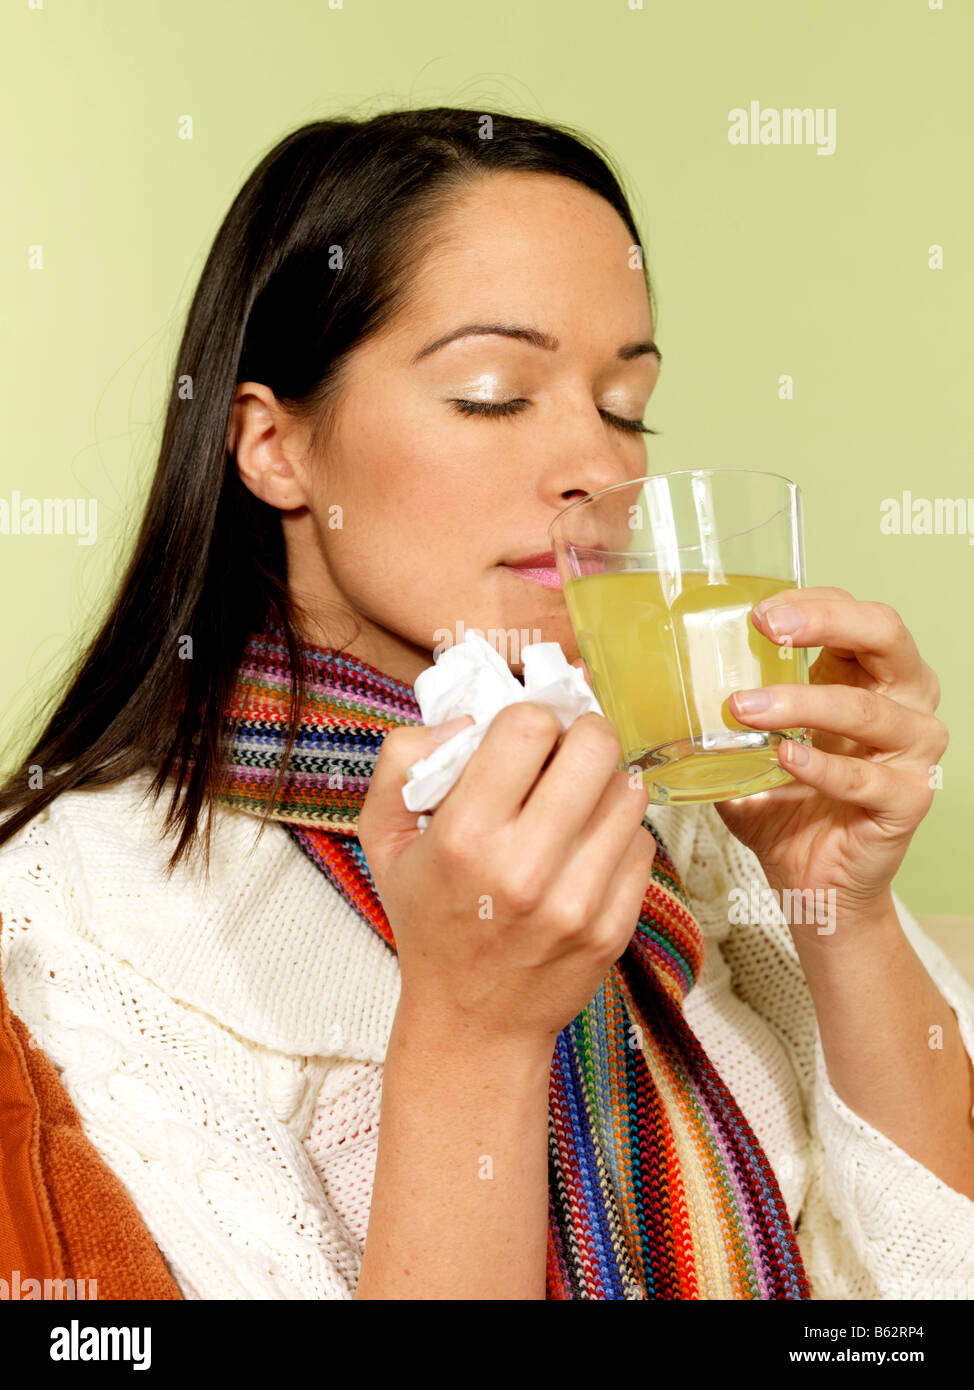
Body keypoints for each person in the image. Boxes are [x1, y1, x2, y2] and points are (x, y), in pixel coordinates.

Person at [1, 107, 972, 1302]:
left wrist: (843, 909)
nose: (597, 466)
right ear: (272, 449)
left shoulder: (696, 808)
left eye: (626, 407)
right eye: (492, 392)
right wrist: (472, 1030)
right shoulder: (83, 912)